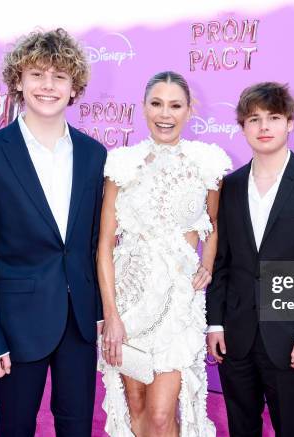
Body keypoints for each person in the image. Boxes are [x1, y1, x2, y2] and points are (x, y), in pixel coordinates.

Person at [0, 28, 106, 437]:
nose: (48, 86)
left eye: (60, 76)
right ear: (18, 81)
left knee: (77, 426)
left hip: (79, 322)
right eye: (37, 74)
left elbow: (92, 244)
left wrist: (98, 312)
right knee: (17, 426)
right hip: (15, 324)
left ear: (74, 87)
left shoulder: (95, 155)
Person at [97, 71, 231, 437]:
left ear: (190, 110)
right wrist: (111, 314)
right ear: (143, 109)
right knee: (135, 404)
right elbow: (105, 244)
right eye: (156, 104)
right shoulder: (122, 164)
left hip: (177, 305)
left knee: (161, 413)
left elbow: (213, 223)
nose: (165, 114)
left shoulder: (207, 162)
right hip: (129, 298)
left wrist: (206, 263)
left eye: (175, 105)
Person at [206, 82, 294, 436]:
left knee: (291, 428)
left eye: (273, 118)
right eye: (254, 119)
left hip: (290, 336)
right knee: (241, 427)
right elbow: (221, 261)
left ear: (290, 123)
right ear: (242, 127)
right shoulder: (228, 186)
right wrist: (215, 323)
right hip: (236, 334)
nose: (264, 127)